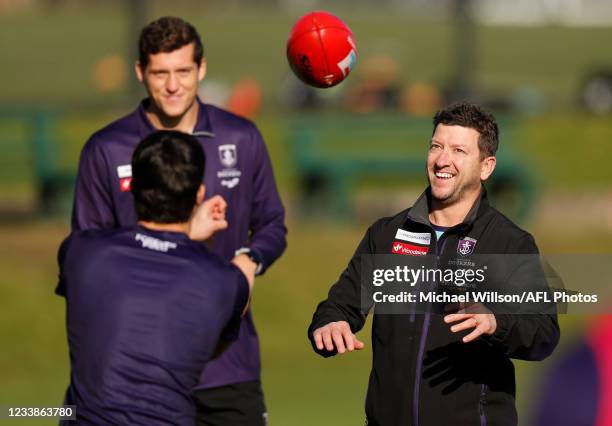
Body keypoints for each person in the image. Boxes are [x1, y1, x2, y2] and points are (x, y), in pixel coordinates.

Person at [71, 16, 286, 425]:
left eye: (183, 71)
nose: (173, 85)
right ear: (140, 73)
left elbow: (273, 222)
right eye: (160, 73)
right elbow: (88, 258)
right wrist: (187, 235)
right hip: (136, 368)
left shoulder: (241, 137)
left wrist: (250, 260)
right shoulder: (106, 148)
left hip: (228, 365)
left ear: (201, 69)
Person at [308, 102, 560, 426]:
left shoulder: (509, 244)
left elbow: (543, 332)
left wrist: (497, 322)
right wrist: (330, 324)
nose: (443, 160)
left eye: (458, 151)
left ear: (486, 167)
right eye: (436, 147)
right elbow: (339, 306)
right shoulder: (385, 235)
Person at [57, 131, 252, 425]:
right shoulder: (225, 281)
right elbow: (207, 347)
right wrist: (240, 265)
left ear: (132, 187)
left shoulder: (81, 252)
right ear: (199, 194)